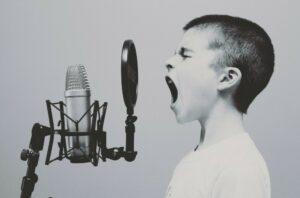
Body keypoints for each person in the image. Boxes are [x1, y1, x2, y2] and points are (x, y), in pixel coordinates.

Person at [164, 15, 274, 198]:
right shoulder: (196, 159)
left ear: (226, 78)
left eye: (184, 54)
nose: (168, 61)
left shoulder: (240, 168)